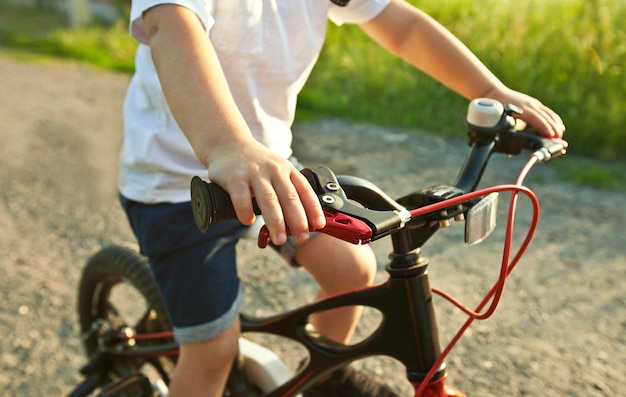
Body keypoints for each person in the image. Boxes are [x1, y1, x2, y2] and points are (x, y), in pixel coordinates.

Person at [118, 1, 565, 396]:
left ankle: (321, 381)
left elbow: (400, 25)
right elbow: (172, 24)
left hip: (270, 168)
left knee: (353, 270)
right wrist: (227, 146)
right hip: (181, 186)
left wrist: (490, 92)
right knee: (214, 350)